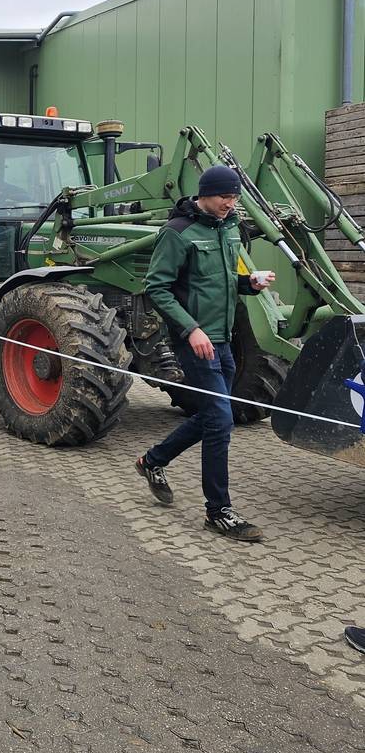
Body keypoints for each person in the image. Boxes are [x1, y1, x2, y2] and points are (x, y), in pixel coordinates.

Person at [137, 165, 274, 541]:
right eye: (223, 197)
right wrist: (191, 329)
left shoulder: (228, 228)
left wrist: (249, 283)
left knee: (218, 414)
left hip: (222, 337)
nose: (230, 204)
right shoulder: (177, 233)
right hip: (194, 339)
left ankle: (152, 461)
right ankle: (218, 511)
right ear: (204, 194)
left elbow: (221, 281)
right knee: (220, 420)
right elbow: (157, 288)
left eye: (234, 198)